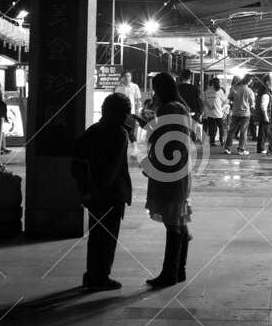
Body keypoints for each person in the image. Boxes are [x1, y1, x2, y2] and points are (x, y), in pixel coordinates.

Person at [72, 93, 133, 292]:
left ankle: (91, 274)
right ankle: (101, 277)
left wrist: (87, 190)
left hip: (93, 195)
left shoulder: (93, 130)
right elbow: (114, 168)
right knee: (107, 238)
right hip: (110, 194)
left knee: (96, 235)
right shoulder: (119, 134)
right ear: (122, 114)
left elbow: (77, 160)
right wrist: (106, 188)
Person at [144, 72, 193, 289]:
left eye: (155, 89)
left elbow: (160, 138)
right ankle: (178, 270)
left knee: (172, 222)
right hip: (180, 169)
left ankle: (169, 273)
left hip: (167, 170)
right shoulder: (180, 107)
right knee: (177, 220)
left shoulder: (167, 109)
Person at [226, 75, 254, 153]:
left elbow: (229, 98)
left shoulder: (235, 88)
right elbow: (252, 103)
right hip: (245, 114)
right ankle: (241, 149)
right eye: (251, 81)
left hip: (235, 112)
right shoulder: (249, 91)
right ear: (248, 81)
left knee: (231, 130)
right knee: (243, 131)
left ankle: (227, 148)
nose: (251, 82)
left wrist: (236, 101)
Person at [201, 76, 226, 150]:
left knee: (212, 127)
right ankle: (222, 141)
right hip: (218, 113)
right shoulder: (219, 91)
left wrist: (209, 106)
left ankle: (212, 142)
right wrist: (221, 106)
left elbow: (203, 100)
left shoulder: (207, 91)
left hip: (210, 113)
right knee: (221, 127)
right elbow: (225, 101)